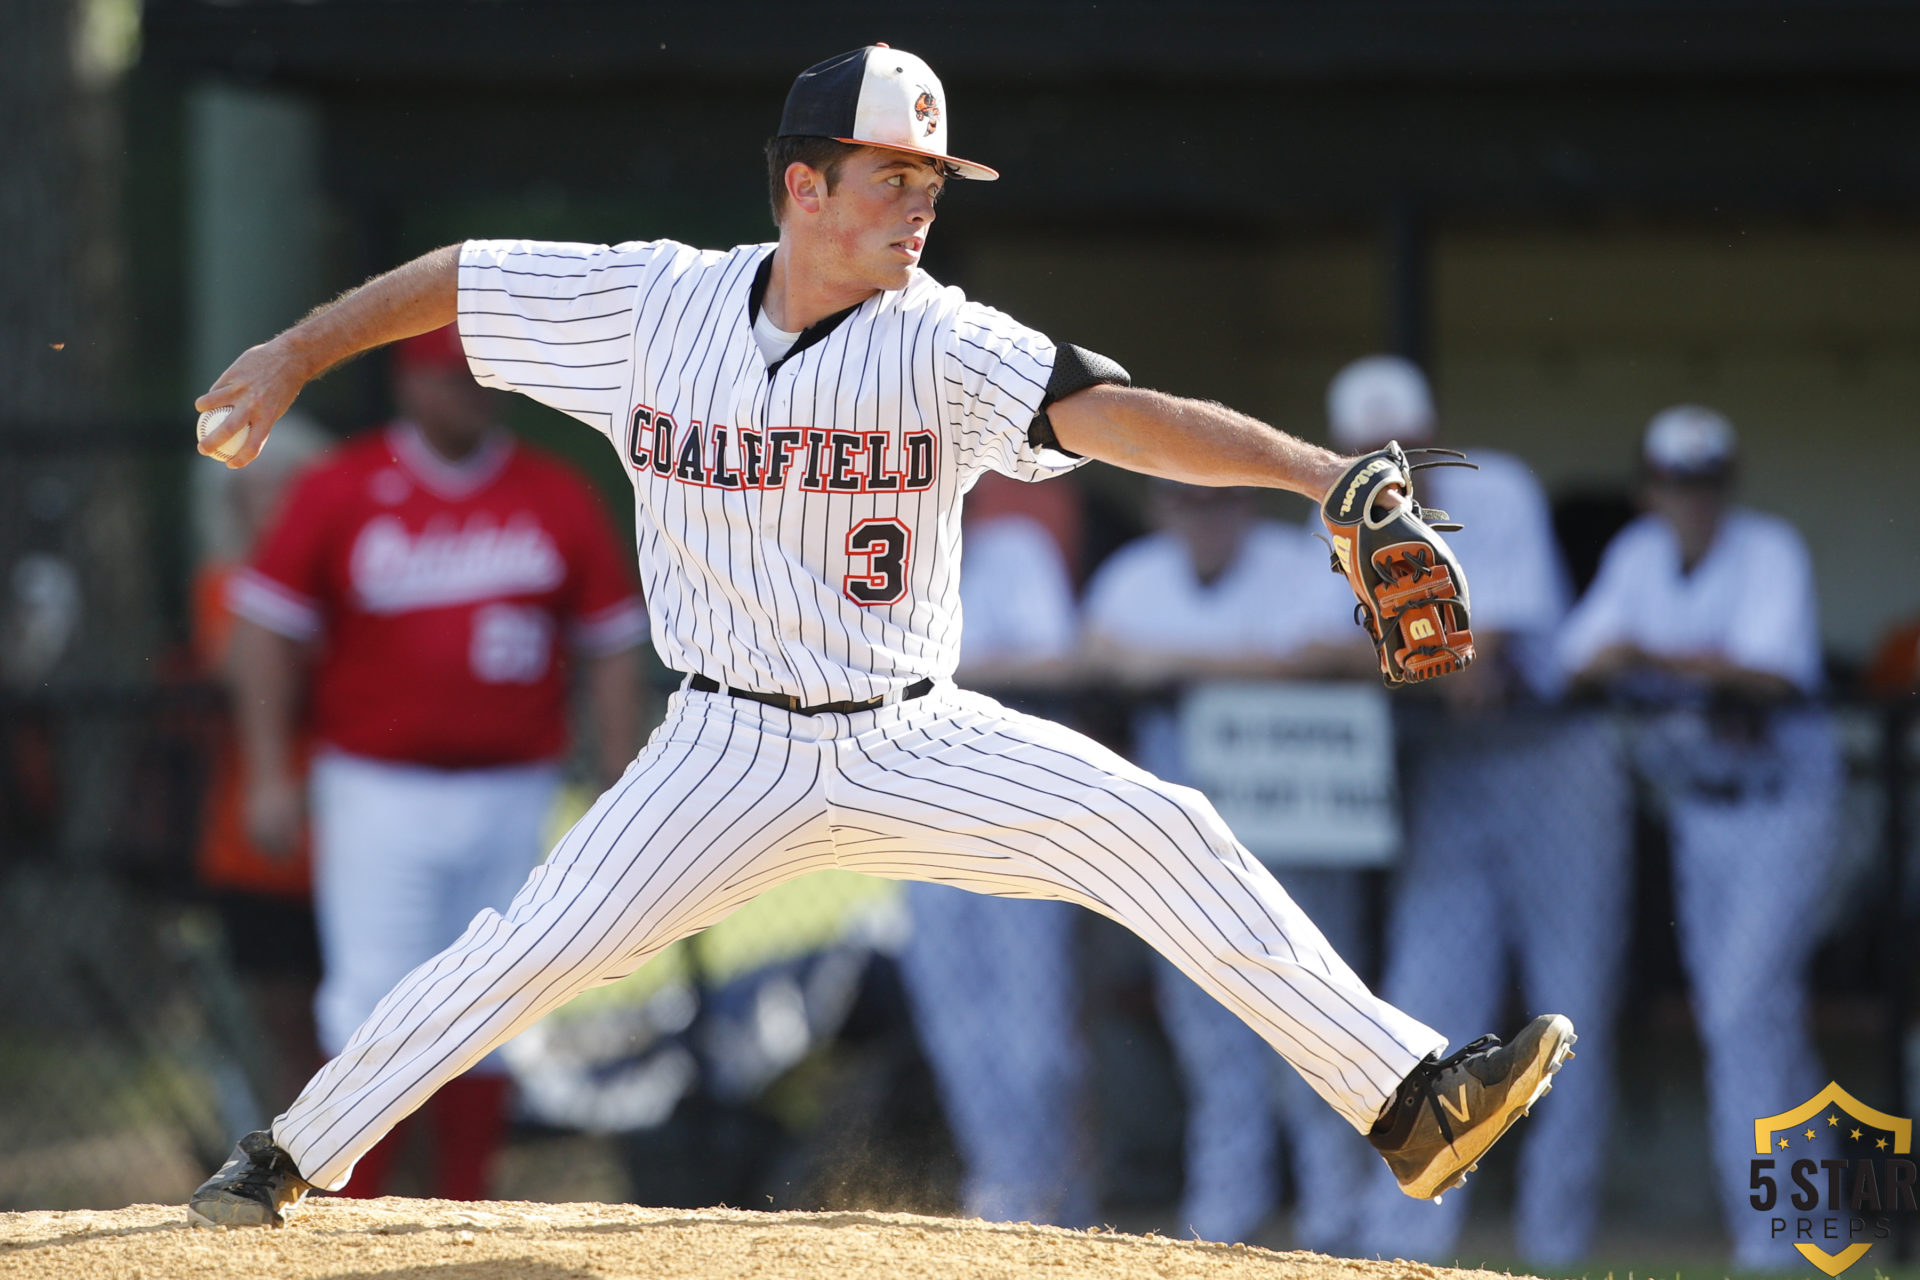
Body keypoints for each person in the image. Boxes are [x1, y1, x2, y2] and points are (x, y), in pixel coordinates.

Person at [186, 44, 1572, 1230]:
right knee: (531, 950)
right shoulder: (652, 302)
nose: (921, 205)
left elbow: (1111, 412)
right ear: (803, 186)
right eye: (892, 177)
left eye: (932, 182)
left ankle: (1409, 1100)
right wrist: (297, 352)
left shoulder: (941, 340)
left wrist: (1318, 477)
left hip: (912, 734)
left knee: (1161, 829)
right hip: (720, 750)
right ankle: (290, 1154)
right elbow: (464, 279)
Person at [220, 324, 647, 1201]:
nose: (472, 392)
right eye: (453, 377)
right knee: (371, 998)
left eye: (485, 377)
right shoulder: (343, 486)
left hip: (514, 786)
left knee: (497, 995)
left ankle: (463, 1202)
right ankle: (348, 1207)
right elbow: (262, 631)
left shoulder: (553, 492)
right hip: (375, 788)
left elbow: (610, 641)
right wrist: (268, 774)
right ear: (410, 383)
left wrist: (619, 771)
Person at [1327, 357, 1630, 1265]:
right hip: (1451, 770)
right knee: (1424, 995)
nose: (1389, 464)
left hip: (1552, 759)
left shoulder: (1496, 490)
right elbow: (1333, 650)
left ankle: (1555, 1243)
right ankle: (1404, 1239)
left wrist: (1387, 657)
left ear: (1431, 437)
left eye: (1403, 446)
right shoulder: (1334, 510)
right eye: (1367, 451)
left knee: (1570, 1001)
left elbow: (1472, 651)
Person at [1558, 405, 1837, 1268]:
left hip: (1784, 806)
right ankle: (1818, 1225)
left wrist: (1646, 657)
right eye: (1676, 483)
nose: (1692, 499)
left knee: (1741, 1012)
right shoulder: (1639, 555)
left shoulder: (1770, 550)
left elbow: (1766, 675)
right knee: (1754, 1021)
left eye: (1706, 482)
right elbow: (1576, 659)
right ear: (1651, 489)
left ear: (1728, 485)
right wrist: (1677, 662)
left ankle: (1771, 1243)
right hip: (1696, 813)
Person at [1082, 479, 1376, 1249]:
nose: (1206, 517)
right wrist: (1233, 665)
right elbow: (1094, 655)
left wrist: (1174, 665)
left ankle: (1337, 1221)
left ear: (1246, 504)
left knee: (1316, 1026)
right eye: (1188, 503)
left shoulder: (1296, 563)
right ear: (1161, 508)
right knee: (1212, 1044)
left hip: (1293, 836)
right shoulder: (1135, 575)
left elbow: (1336, 656)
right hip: (1183, 858)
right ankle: (1222, 1223)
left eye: (1221, 502)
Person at [896, 473, 1095, 1227]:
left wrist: (931, 685)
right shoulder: (871, 557)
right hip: (916, 822)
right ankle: (1003, 1192)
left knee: (1035, 1039)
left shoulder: (1014, 550)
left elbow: (1055, 664)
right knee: (955, 1028)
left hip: (1020, 822)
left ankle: (1063, 1200)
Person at [191, 411, 334, 1119]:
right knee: (291, 1034)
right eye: (259, 491)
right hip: (263, 851)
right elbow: (245, 668)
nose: (276, 506)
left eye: (292, 489)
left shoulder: (353, 579)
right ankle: (294, 1161)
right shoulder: (225, 586)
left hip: (351, 839)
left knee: (375, 1028)